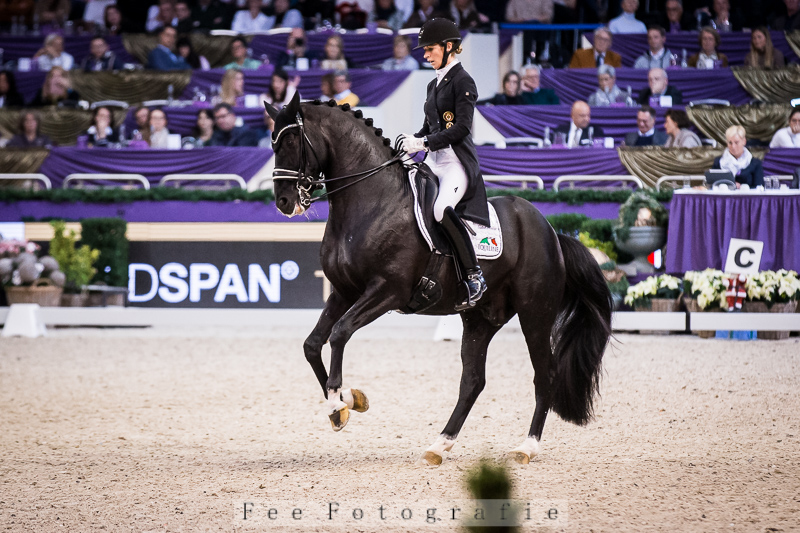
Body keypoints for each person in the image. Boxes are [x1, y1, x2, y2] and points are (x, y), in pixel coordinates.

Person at [400, 18, 490, 310]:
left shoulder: (464, 81)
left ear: (449, 46)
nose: (426, 55)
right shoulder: (433, 83)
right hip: (433, 160)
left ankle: (474, 275)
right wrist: (411, 140)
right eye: (425, 50)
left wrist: (423, 143)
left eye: (430, 49)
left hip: (454, 163)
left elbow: (461, 128)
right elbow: (429, 126)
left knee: (440, 209)